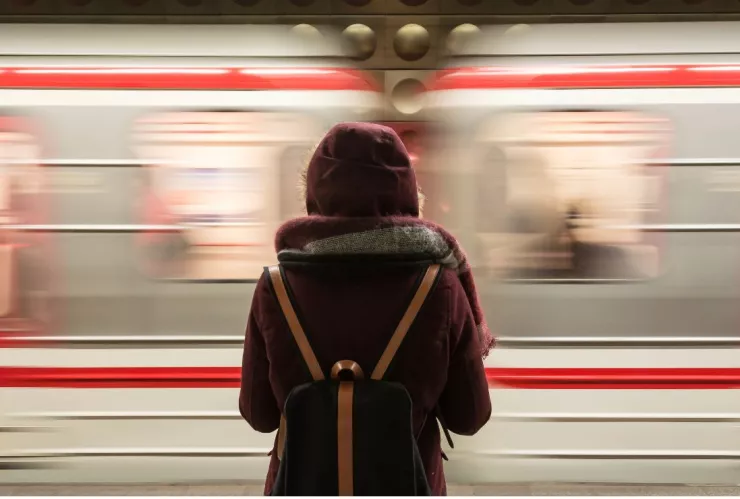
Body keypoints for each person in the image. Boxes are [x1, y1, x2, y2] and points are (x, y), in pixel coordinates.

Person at [239, 122, 493, 496]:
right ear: (407, 191)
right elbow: (469, 416)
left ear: (315, 191)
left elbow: (258, 414)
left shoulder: (275, 286)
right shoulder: (440, 285)